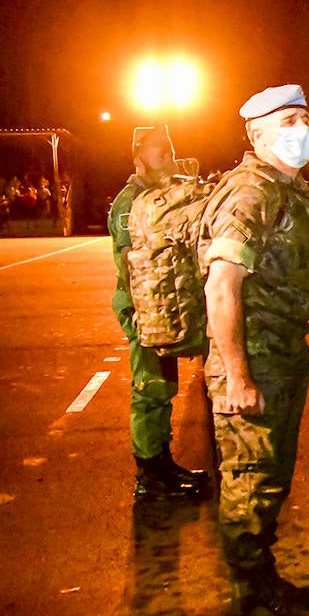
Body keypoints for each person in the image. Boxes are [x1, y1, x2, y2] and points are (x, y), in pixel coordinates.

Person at [199, 84, 309, 616]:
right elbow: (221, 287)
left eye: (304, 118)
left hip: (280, 354)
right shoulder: (252, 192)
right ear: (257, 135)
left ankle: (261, 584)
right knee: (252, 481)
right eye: (288, 121)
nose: (301, 130)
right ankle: (251, 608)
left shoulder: (283, 189)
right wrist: (237, 374)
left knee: (268, 479)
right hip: (256, 362)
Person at [108, 124, 207, 502]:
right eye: (157, 150)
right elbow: (129, 262)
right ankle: (150, 474)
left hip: (163, 306)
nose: (166, 154)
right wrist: (140, 313)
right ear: (137, 159)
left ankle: (161, 461)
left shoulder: (161, 194)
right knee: (150, 388)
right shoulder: (129, 201)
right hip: (142, 306)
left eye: (169, 147)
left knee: (164, 386)